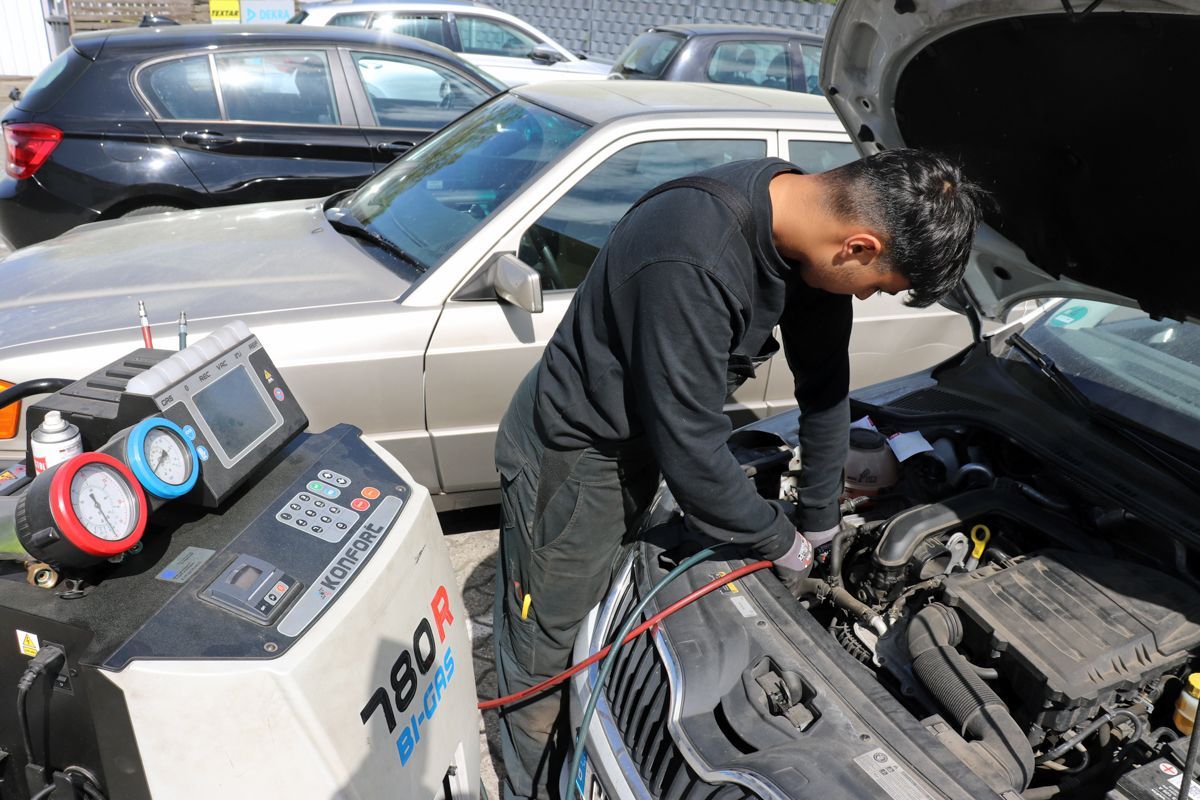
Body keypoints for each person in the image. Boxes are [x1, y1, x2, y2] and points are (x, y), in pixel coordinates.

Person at [492, 150, 987, 800]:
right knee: (545, 662)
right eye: (877, 285)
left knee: (600, 622)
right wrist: (779, 542)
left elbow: (825, 387)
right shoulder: (693, 253)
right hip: (573, 460)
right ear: (857, 246)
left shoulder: (801, 235)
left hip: (639, 448)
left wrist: (820, 520)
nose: (868, 296)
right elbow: (695, 458)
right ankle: (529, 786)